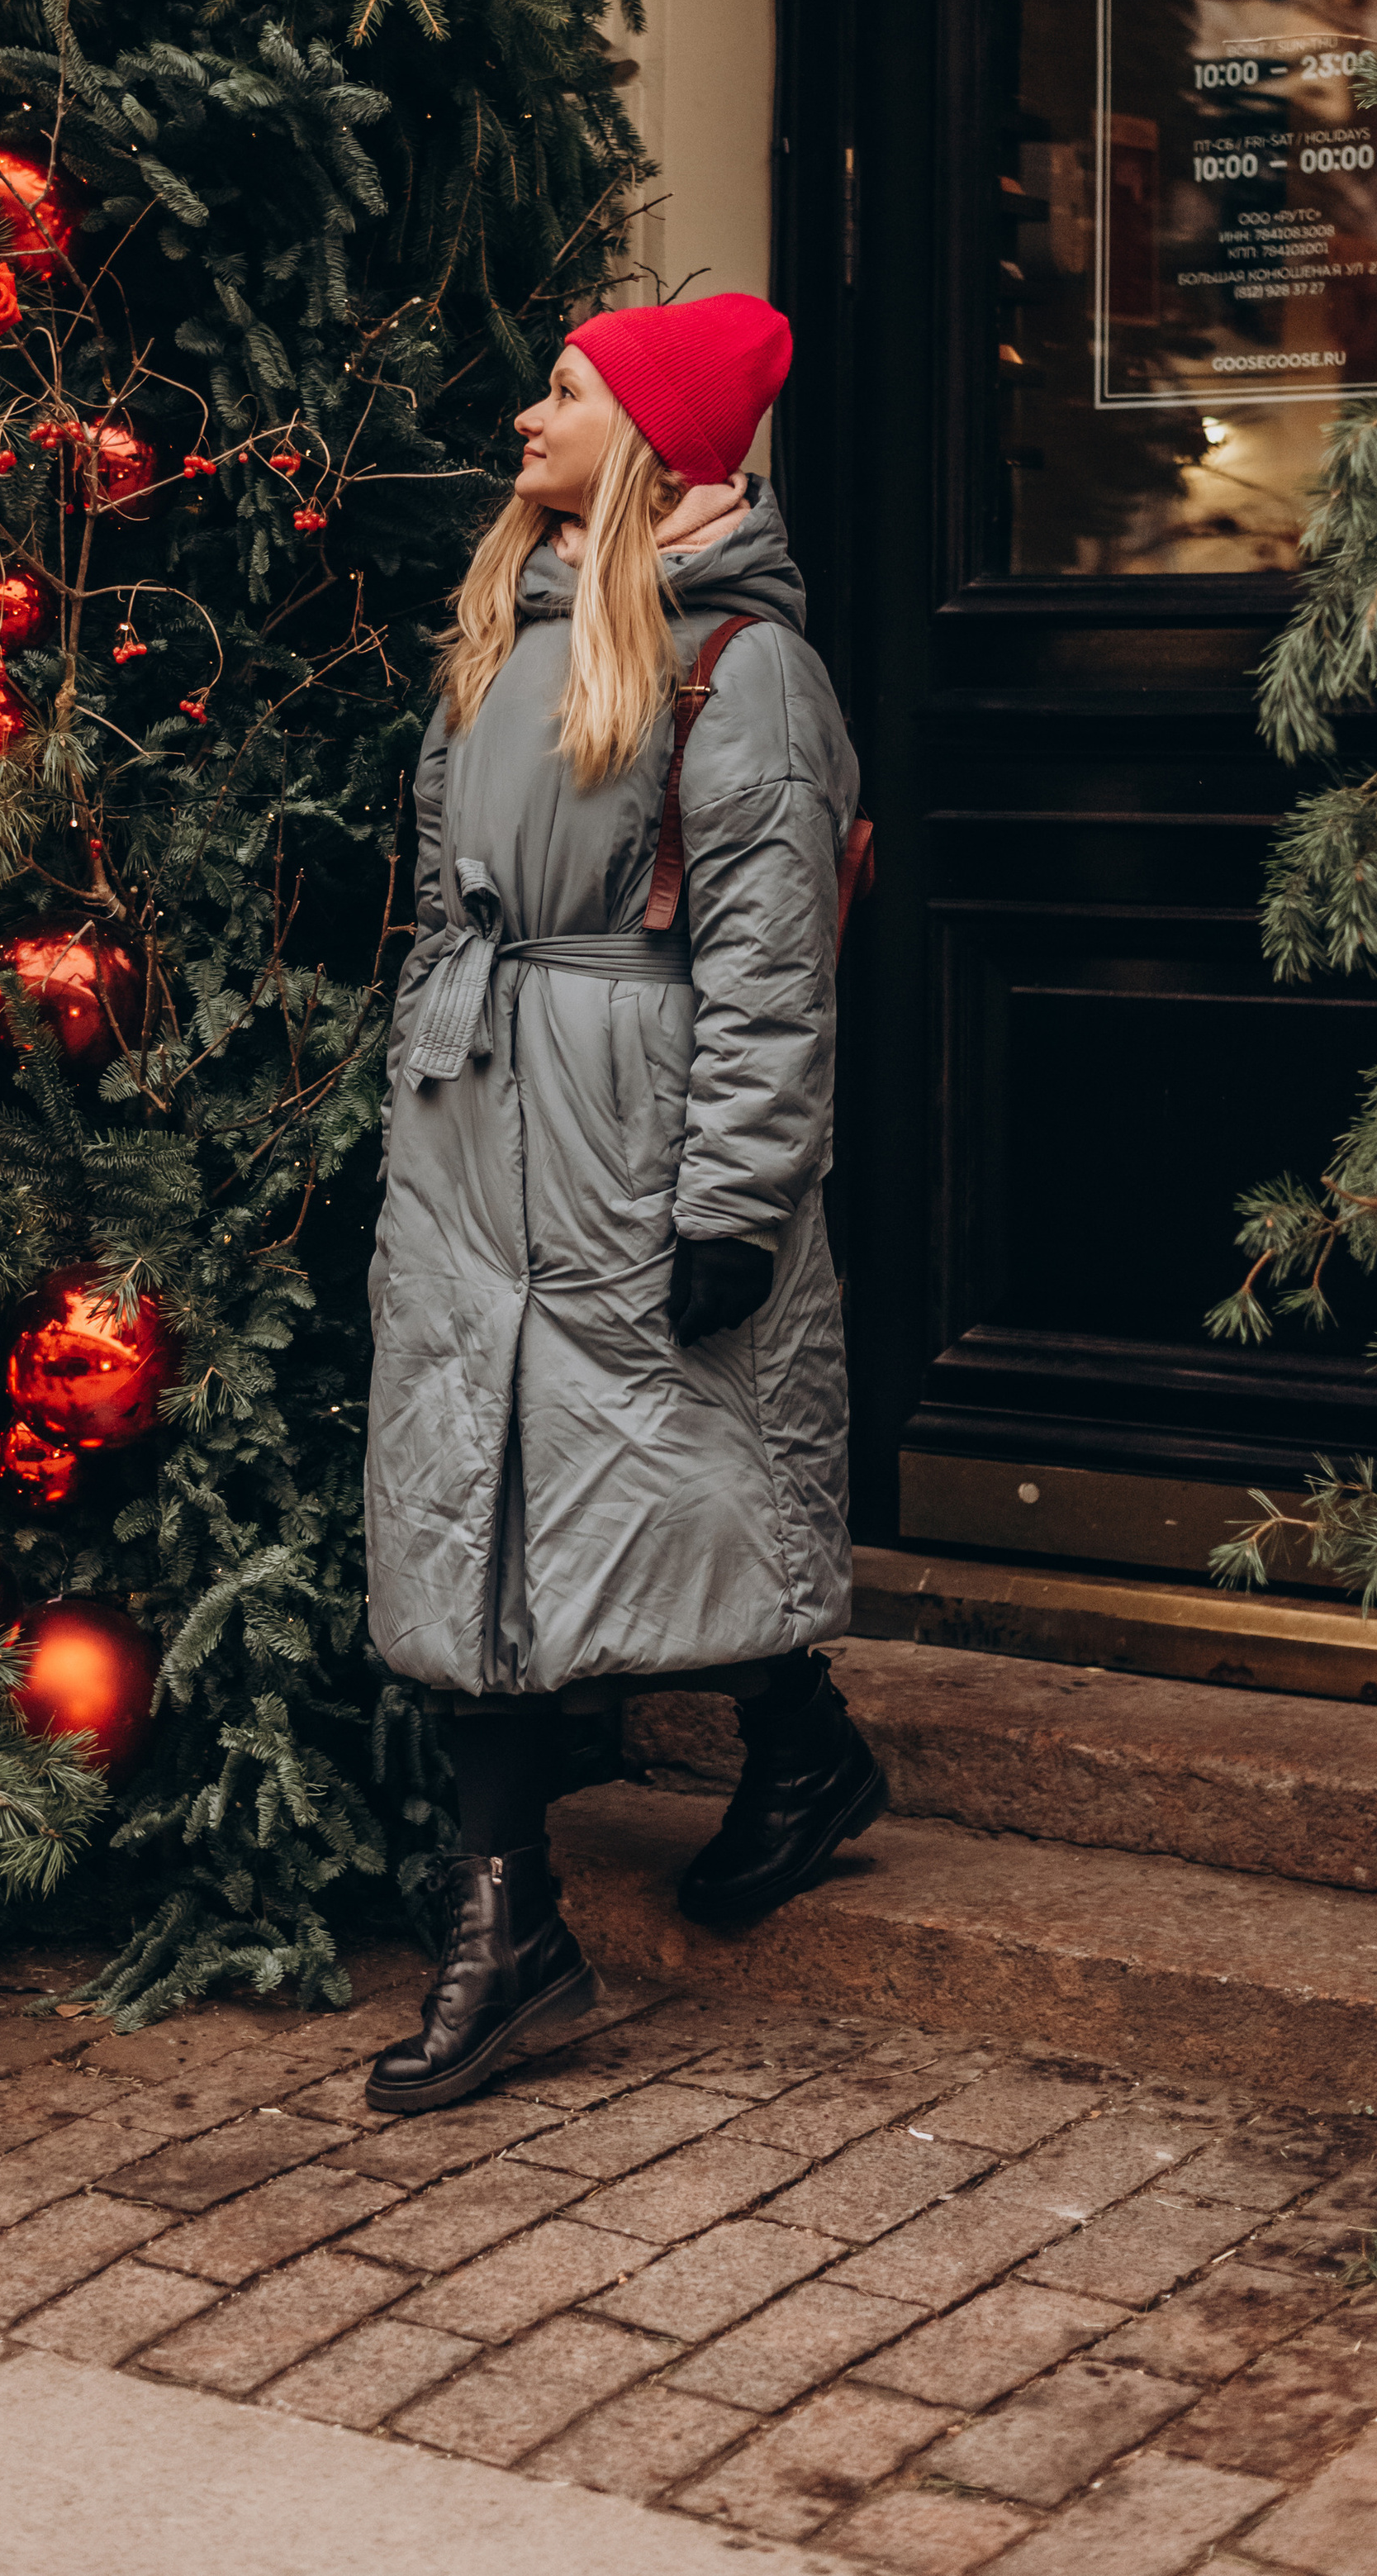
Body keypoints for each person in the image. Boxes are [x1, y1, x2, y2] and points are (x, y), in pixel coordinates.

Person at [361, 291, 885, 2116]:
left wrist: (732, 1196)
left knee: (660, 1460)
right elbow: (445, 902)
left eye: (566, 390)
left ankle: (799, 1745)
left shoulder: (745, 674)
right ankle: (509, 1923)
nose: (526, 410)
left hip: (628, 1132)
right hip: (472, 1119)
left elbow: (767, 973)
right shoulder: (502, 638)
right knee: (475, 1489)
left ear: (653, 439)